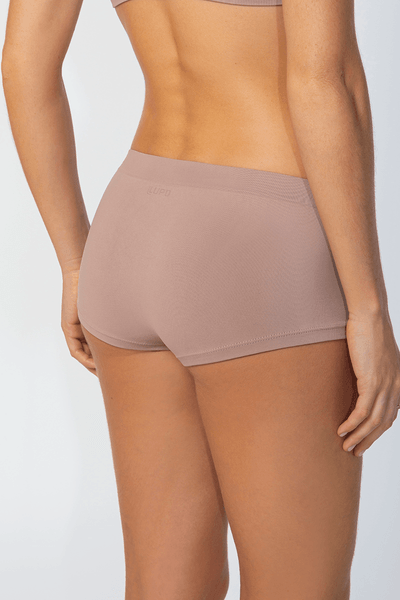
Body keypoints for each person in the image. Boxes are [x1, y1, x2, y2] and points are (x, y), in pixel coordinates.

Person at [2, 0, 400, 597]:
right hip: (260, 241)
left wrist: (75, 263)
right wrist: (368, 308)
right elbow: (325, 80)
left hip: (132, 226)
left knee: (164, 582)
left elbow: (23, 64)